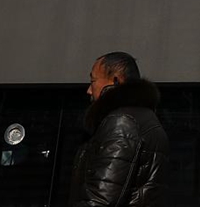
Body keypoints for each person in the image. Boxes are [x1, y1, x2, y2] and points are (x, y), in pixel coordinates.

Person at [70, 52, 169, 207]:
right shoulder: (145, 119)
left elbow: (102, 198)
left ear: (115, 81)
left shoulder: (122, 122)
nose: (89, 90)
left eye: (93, 81)